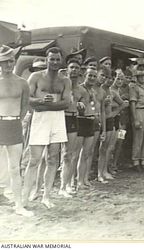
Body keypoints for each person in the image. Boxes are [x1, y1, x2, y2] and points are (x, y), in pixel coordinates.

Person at [22, 47, 71, 209]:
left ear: (61, 60)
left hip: (57, 120)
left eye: (58, 59)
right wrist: (41, 102)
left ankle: (46, 196)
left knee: (52, 159)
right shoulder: (36, 76)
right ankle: (25, 197)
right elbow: (27, 99)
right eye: (52, 59)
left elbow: (66, 103)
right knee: (34, 159)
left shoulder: (65, 80)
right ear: (47, 59)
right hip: (40, 119)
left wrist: (50, 105)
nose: (55, 62)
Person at [0, 45, 33, 216]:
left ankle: (18, 205)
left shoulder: (22, 83)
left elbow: (25, 106)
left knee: (15, 168)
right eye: (4, 62)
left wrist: (16, 121)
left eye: (10, 61)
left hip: (13, 126)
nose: (8, 65)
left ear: (14, 62)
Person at [59, 59, 87, 196]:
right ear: (67, 69)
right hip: (59, 118)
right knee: (50, 154)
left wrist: (81, 106)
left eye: (77, 67)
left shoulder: (82, 90)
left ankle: (66, 185)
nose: (74, 70)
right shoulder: (60, 83)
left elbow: (84, 106)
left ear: (80, 71)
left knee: (69, 154)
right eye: (72, 67)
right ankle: (40, 185)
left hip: (72, 118)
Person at [76, 68, 99, 189]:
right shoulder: (79, 89)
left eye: (94, 76)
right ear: (85, 75)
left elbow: (94, 107)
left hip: (91, 121)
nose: (92, 78)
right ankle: (77, 181)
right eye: (90, 75)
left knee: (87, 153)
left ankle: (84, 178)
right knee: (76, 153)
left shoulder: (93, 91)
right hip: (81, 121)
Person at [129, 64, 144, 170]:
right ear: (137, 77)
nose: (143, 77)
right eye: (140, 76)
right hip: (140, 111)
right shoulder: (134, 87)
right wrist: (135, 119)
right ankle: (136, 161)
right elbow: (133, 103)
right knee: (138, 137)